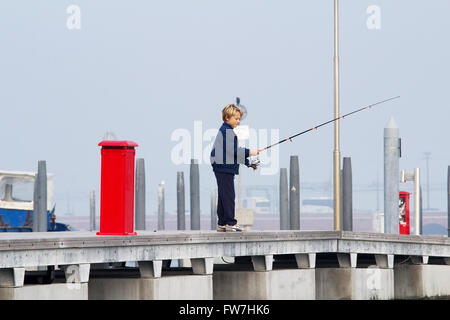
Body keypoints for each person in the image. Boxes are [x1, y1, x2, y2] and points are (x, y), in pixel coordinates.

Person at [210, 104, 260, 232]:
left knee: (223, 195)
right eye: (236, 119)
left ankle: (222, 223)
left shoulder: (227, 130)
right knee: (228, 195)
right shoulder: (227, 132)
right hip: (223, 167)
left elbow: (233, 153)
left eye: (239, 119)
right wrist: (251, 152)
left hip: (222, 166)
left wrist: (249, 163)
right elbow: (234, 151)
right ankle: (231, 223)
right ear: (227, 117)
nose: (238, 121)